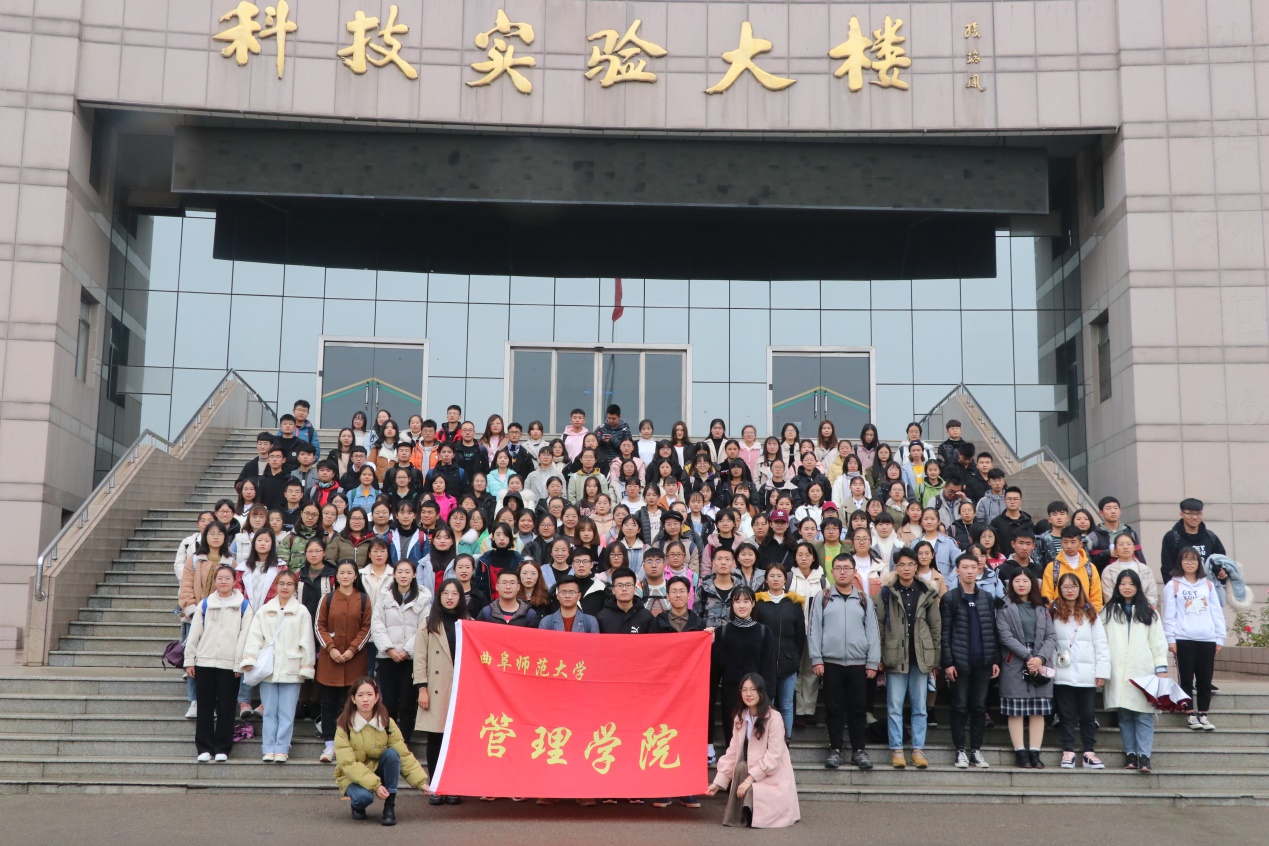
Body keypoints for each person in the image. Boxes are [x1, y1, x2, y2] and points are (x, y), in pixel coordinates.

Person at [809, 553, 880, 771]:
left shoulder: (864, 599)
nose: (842, 572)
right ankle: (836, 749)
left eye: (847, 568)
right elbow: (814, 629)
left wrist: (873, 662)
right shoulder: (823, 597)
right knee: (833, 708)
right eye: (838, 568)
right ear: (832, 572)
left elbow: (873, 632)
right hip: (831, 663)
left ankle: (859, 750)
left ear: (854, 572)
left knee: (858, 709)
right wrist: (816, 658)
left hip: (859, 664)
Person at [238, 570, 316, 763]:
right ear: (275, 586)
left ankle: (282, 747)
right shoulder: (264, 611)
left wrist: (306, 665)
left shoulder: (301, 611)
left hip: (292, 666)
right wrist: (250, 658)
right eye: (282, 583)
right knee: (270, 711)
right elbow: (254, 637)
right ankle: (268, 747)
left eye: (289, 584)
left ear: (295, 587)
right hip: (269, 668)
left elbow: (307, 641)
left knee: (287, 713)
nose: (285, 587)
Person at [707, 674, 800, 829]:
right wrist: (718, 782)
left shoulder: (774, 717)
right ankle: (739, 816)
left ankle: (752, 813)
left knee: (749, 783)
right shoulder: (740, 717)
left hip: (772, 773)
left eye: (753, 690)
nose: (748, 694)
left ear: (761, 692)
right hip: (753, 769)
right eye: (744, 690)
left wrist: (748, 780)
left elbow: (774, 757)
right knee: (740, 766)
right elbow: (732, 752)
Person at [334, 677, 429, 825]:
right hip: (351, 776)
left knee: (392, 754)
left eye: (369, 694)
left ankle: (389, 806)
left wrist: (421, 783)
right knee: (364, 797)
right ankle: (357, 806)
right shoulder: (344, 726)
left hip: (378, 769)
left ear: (377, 697)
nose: (365, 699)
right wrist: (376, 785)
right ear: (353, 699)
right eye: (360, 695)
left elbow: (403, 754)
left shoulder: (387, 723)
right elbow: (348, 764)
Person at [878, 548, 941, 769]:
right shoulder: (886, 592)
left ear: (917, 567)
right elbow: (880, 626)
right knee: (894, 706)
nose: (907, 568)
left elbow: (935, 627)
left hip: (921, 656)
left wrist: (935, 659)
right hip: (895, 656)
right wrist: (880, 656)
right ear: (896, 567)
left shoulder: (927, 592)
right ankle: (897, 749)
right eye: (902, 565)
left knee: (920, 707)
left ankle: (917, 749)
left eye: (911, 564)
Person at [1102, 570, 1170, 773]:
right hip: (1118, 670)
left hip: (1143, 669)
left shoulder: (1149, 612)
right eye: (1123, 583)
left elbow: (1158, 642)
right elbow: (1101, 641)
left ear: (1138, 587)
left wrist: (1161, 668)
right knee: (1124, 715)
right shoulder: (1108, 611)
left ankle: (1144, 756)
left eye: (1131, 584)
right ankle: (1130, 754)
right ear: (1117, 586)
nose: (1127, 587)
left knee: (1144, 714)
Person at [184, 564, 253, 762]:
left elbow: (245, 637)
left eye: (227, 578)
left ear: (234, 581)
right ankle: (204, 748)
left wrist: (240, 664)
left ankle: (223, 747)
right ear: (214, 581)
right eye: (220, 578)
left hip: (229, 665)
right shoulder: (205, 604)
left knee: (227, 707)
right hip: (204, 662)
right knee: (205, 707)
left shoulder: (244, 606)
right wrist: (190, 660)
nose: (223, 582)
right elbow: (194, 634)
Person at [940, 554, 1000, 768]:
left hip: (983, 661)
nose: (969, 571)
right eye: (965, 567)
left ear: (978, 569)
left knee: (979, 706)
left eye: (973, 567)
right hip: (960, 662)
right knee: (959, 706)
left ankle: (976, 749)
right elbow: (945, 632)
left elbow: (991, 629)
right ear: (957, 570)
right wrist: (948, 662)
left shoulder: (986, 597)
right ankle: (960, 750)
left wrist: (994, 659)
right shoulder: (950, 598)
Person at [996, 569, 1057, 769]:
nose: (1021, 584)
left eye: (1025, 581)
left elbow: (1051, 636)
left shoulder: (1042, 608)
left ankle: (1035, 752)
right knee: (1016, 708)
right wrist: (1028, 657)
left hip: (1040, 659)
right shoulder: (1004, 607)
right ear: (1010, 584)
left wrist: (1039, 658)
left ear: (1033, 583)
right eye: (1017, 581)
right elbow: (1005, 636)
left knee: (1038, 709)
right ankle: (1020, 751)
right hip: (1015, 660)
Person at [1049, 573, 1111, 768]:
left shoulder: (1090, 611)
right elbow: (1049, 642)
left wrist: (1101, 671)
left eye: (1074, 586)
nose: (1070, 590)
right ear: (1059, 589)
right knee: (1066, 714)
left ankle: (1089, 752)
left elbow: (1101, 643)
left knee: (1087, 714)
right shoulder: (1053, 611)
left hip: (1087, 673)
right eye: (1065, 586)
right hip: (1062, 671)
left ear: (1080, 588)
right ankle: (1068, 751)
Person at [413, 578, 465, 805]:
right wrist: (421, 689)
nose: (450, 597)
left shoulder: (468, 623)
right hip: (435, 688)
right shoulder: (428, 624)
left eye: (454, 593)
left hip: (461, 688)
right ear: (439, 596)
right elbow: (420, 660)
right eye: (445, 593)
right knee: (436, 737)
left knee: (457, 740)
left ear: (461, 597)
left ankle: (453, 785)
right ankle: (436, 785)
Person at [1163, 546, 1225, 731]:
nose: (1190, 563)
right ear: (1180, 562)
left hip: (1207, 638)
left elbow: (1216, 612)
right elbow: (1169, 615)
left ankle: (1203, 714)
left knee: (1205, 679)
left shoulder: (1208, 585)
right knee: (1186, 679)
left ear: (1199, 562)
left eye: (1193, 559)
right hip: (1184, 638)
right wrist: (1170, 638)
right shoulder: (1173, 585)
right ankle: (1190, 714)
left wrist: (1220, 637)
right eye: (1186, 559)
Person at [316, 560, 373, 762]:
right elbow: (319, 626)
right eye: (342, 572)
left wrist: (352, 650)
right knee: (329, 703)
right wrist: (331, 648)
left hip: (355, 660)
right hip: (330, 660)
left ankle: (352, 744)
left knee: (353, 703)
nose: (346, 576)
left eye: (349, 572)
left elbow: (367, 628)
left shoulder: (364, 599)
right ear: (337, 576)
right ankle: (329, 744)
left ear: (356, 575)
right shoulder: (327, 598)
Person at [371, 559, 432, 745]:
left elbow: (424, 627)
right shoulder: (384, 596)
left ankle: (404, 743)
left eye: (407, 572)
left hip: (411, 658)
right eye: (400, 572)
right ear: (394, 574)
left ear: (414, 574)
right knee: (389, 702)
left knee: (407, 703)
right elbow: (377, 625)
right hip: (387, 657)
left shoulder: (423, 599)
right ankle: (389, 741)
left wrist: (407, 650)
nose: (403, 575)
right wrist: (389, 649)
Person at [752, 566, 805, 741]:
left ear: (785, 579)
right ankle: (769, 738)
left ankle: (786, 739)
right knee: (768, 703)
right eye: (772, 576)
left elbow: (800, 635)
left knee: (787, 703)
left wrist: (795, 657)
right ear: (766, 579)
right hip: (765, 662)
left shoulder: (794, 604)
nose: (776, 579)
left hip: (789, 661)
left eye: (779, 576)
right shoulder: (759, 604)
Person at [1160, 498, 1227, 583]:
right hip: (1182, 587)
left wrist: (1222, 571)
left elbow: (1222, 560)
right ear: (1181, 514)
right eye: (1190, 513)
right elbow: (1167, 568)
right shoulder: (1171, 537)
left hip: (1207, 586)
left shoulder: (1210, 537)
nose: (1195, 517)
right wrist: (1174, 588)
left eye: (1198, 513)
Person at [1041, 525, 1103, 612]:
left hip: (1084, 615)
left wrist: (1090, 614)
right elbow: (1046, 596)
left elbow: (1097, 598)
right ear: (1061, 543)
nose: (1069, 546)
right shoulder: (1052, 567)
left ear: (1080, 544)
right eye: (1065, 542)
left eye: (1073, 542)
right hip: (1059, 615)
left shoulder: (1090, 568)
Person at [1101, 532, 1160, 607]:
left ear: (1134, 547)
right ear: (1115, 550)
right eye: (1121, 544)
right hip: (1117, 611)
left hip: (1143, 610)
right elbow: (1109, 597)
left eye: (1129, 544)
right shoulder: (1108, 571)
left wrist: (1144, 608)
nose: (1125, 547)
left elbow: (1152, 595)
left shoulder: (1145, 570)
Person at [597, 567, 654, 634]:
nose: (624, 589)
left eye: (628, 585)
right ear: (613, 590)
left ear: (634, 589)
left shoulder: (646, 617)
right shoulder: (602, 618)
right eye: (620, 585)